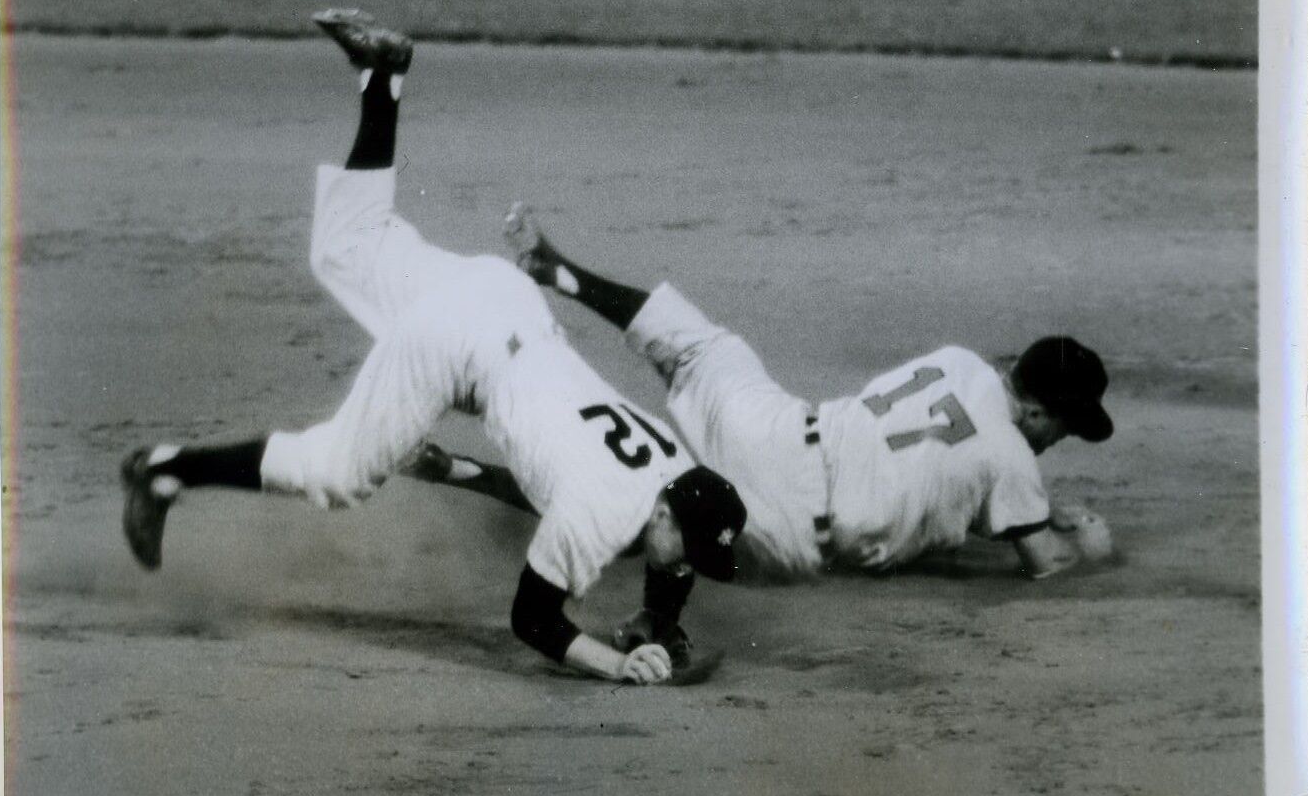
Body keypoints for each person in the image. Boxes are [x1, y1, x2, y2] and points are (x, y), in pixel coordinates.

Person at [119, 9, 746, 685]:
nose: (684, 570)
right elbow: (533, 619)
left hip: (501, 296)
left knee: (344, 246)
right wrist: (615, 662)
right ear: (663, 510)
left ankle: (381, 78)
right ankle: (165, 468)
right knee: (335, 472)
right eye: (687, 555)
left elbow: (641, 542)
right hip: (455, 346)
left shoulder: (673, 470)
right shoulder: (601, 514)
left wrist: (658, 618)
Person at [410, 204, 1115, 595]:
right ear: (1038, 412)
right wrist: (1084, 542)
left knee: (701, 347)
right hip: (780, 527)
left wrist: (1028, 507)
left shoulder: (960, 362)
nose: (1057, 442)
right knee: (631, 504)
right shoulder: (1011, 458)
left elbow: (942, 459)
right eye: (1064, 427)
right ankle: (455, 470)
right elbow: (1041, 562)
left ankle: (559, 272)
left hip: (774, 428)